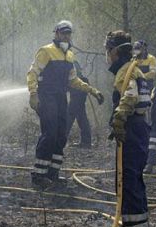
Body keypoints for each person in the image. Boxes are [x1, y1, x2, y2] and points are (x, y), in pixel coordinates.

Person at [27, 20, 104, 187]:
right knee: (50, 133)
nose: (66, 36)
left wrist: (91, 90)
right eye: (63, 33)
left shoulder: (69, 56)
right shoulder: (46, 51)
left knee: (62, 134)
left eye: (68, 33)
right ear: (56, 33)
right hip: (46, 97)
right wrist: (33, 94)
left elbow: (73, 80)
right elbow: (32, 73)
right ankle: (39, 175)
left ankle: (53, 173)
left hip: (61, 98)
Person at [105, 30, 152, 227]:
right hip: (139, 129)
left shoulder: (126, 71)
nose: (107, 55)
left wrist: (119, 118)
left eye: (108, 51)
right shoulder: (136, 70)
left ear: (114, 51)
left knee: (128, 181)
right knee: (132, 180)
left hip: (132, 131)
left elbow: (130, 97)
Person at [67, 59, 92, 148]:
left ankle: (60, 141)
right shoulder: (84, 79)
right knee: (82, 119)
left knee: (67, 120)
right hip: (79, 101)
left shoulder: (72, 65)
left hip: (75, 101)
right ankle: (86, 142)